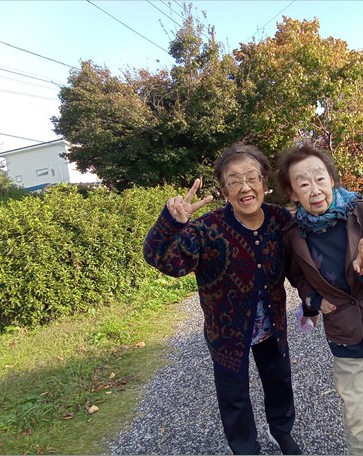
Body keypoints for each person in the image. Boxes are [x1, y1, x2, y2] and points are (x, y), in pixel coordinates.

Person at [143, 143, 302, 455]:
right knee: (234, 396)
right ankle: (245, 447)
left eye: (252, 177)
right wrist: (171, 223)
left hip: (272, 326)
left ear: (264, 182)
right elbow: (162, 258)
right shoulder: (207, 229)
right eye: (234, 180)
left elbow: (301, 259)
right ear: (224, 190)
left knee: (279, 381)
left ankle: (281, 431)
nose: (245, 187)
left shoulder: (279, 219)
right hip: (227, 333)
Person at [276, 143, 363, 455]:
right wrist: (313, 300)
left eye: (320, 179)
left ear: (331, 179)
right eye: (303, 183)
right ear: (292, 193)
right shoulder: (292, 234)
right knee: (358, 421)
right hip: (346, 334)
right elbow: (297, 277)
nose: (315, 189)